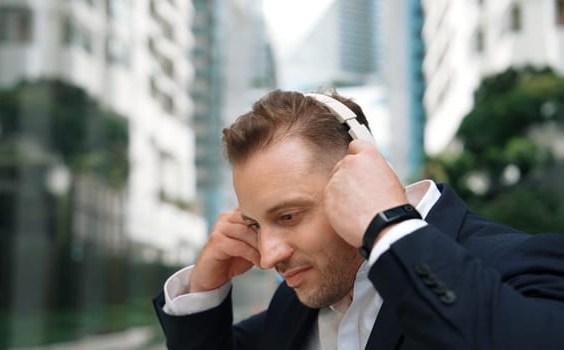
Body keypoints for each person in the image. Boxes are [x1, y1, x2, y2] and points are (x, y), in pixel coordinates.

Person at [153, 90, 564, 350]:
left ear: (359, 176)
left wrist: (388, 225)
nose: (266, 256)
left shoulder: (522, 263)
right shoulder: (293, 307)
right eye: (256, 225)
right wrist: (203, 291)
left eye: (289, 215)